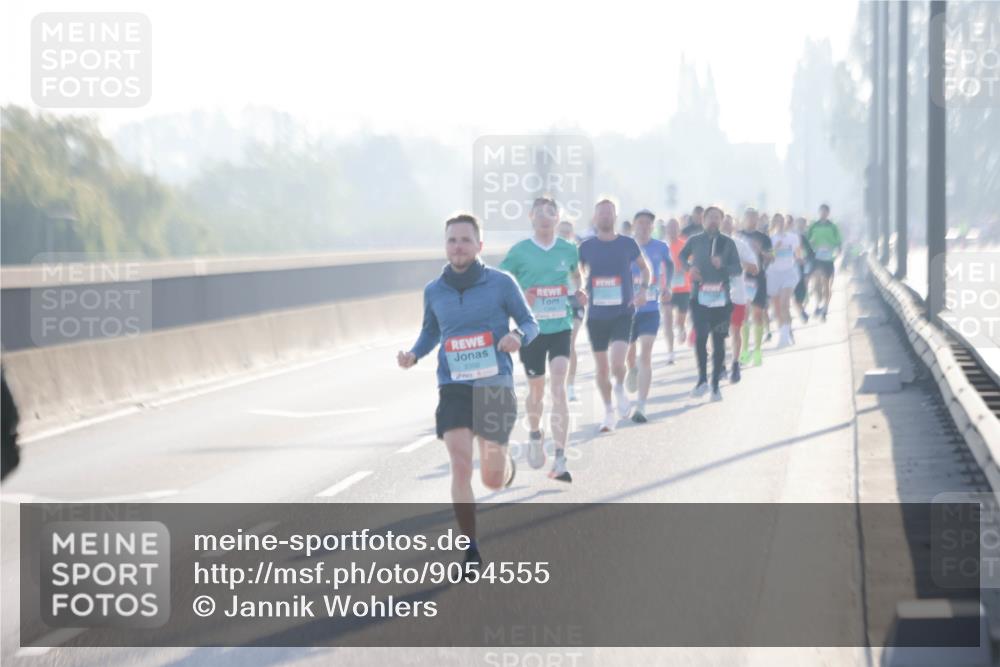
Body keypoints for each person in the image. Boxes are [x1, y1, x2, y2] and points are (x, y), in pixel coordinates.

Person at [398, 213, 539, 566]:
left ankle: (505, 468)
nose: (458, 246)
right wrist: (414, 353)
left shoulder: (501, 283)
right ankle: (471, 548)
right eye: (451, 240)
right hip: (453, 386)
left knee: (491, 479)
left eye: (464, 240)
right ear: (445, 246)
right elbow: (431, 332)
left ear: (479, 245)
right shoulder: (434, 290)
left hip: (494, 383)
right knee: (460, 466)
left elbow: (528, 321)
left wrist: (516, 337)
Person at [500, 199, 586, 483]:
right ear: (531, 218)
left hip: (561, 326)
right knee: (536, 392)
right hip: (532, 331)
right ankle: (536, 434)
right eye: (540, 213)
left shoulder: (568, 248)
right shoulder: (520, 252)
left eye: (551, 213)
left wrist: (579, 291)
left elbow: (576, 276)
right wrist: (523, 298)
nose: (546, 218)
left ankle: (560, 458)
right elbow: (500, 283)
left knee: (558, 386)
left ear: (558, 217)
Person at [578, 199, 650, 432]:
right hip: (597, 314)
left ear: (615, 216)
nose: (606, 217)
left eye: (609, 213)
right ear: (595, 218)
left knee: (617, 362)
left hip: (622, 311)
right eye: (602, 213)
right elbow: (576, 272)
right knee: (601, 369)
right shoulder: (586, 247)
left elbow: (645, 268)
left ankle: (619, 386)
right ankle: (608, 411)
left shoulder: (627, 244)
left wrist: (643, 290)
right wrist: (578, 288)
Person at [679, 206, 742, 401]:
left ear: (722, 221)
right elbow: (681, 257)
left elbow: (738, 269)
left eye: (717, 217)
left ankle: (715, 385)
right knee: (700, 337)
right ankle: (702, 380)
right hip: (699, 298)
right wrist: (689, 269)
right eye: (710, 217)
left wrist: (722, 265)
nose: (714, 221)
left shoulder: (727, 243)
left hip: (722, 300)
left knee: (718, 341)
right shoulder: (695, 240)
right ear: (703, 219)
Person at [625, 209, 672, 422]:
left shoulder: (660, 247)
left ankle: (641, 406)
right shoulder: (625, 246)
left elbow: (670, 266)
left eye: (647, 223)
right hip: (626, 309)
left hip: (650, 309)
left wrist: (667, 286)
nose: (643, 226)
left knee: (646, 353)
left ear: (652, 227)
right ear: (634, 225)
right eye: (640, 222)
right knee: (629, 352)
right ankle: (631, 368)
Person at [721, 214, 758, 384]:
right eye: (724, 223)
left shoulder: (740, 245)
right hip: (715, 296)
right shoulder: (710, 244)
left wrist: (739, 263)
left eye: (729, 223)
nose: (726, 226)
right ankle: (721, 364)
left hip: (737, 295)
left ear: (734, 226)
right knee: (717, 333)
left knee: (735, 331)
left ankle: (735, 364)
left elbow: (755, 269)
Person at [738, 208, 772, 367]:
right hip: (743, 278)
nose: (752, 219)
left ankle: (757, 350)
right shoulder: (738, 236)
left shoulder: (764, 238)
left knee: (757, 314)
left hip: (758, 278)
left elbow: (771, 258)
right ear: (744, 218)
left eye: (755, 217)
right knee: (744, 315)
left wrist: (763, 253)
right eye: (749, 216)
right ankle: (745, 350)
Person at [557, 220, 585, 403]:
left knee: (570, 343)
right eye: (562, 231)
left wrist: (578, 289)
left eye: (568, 231)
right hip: (554, 303)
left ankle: (571, 385)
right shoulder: (549, 253)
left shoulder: (574, 252)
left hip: (574, 302)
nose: (565, 234)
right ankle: (557, 381)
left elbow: (579, 277)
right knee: (557, 345)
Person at [766, 213, 801, 348]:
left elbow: (798, 254)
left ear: (786, 222)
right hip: (773, 274)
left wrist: (798, 257)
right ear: (773, 223)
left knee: (785, 303)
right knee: (778, 308)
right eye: (777, 221)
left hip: (789, 273)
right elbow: (769, 258)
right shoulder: (770, 239)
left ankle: (784, 338)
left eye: (782, 221)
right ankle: (785, 331)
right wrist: (775, 249)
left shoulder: (793, 237)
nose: (780, 223)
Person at [807, 204, 842, 321]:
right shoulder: (813, 225)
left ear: (828, 213)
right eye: (821, 211)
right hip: (817, 258)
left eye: (825, 212)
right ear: (819, 212)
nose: (823, 213)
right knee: (816, 282)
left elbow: (839, 241)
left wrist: (837, 252)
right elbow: (807, 240)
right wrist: (811, 247)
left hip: (828, 259)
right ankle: (817, 304)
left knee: (826, 284)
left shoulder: (833, 226)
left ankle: (825, 308)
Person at [664, 217, 690, 361]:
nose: (672, 230)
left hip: (684, 288)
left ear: (678, 230)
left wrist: (683, 268)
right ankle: (670, 351)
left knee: (679, 320)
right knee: (667, 317)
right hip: (667, 289)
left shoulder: (685, 244)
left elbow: (692, 263)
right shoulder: (663, 246)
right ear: (666, 230)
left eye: (675, 227)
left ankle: (681, 328)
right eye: (670, 227)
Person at [793, 216, 814, 325]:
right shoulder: (778, 238)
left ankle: (801, 311)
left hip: (799, 269)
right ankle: (786, 328)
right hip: (782, 271)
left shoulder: (802, 237)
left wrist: (804, 260)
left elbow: (811, 253)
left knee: (798, 295)